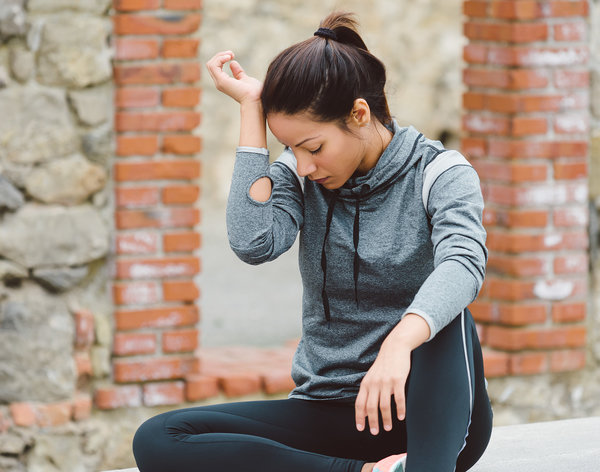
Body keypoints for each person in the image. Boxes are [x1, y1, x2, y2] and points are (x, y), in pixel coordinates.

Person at [132, 11, 493, 472]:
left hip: (425, 412)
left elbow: (464, 261)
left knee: (447, 314)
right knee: (161, 437)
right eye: (293, 149)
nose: (304, 165)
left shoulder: (440, 173)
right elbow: (253, 241)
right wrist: (250, 111)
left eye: (314, 147)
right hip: (332, 410)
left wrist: (399, 343)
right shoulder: (305, 177)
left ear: (359, 114)